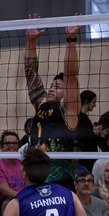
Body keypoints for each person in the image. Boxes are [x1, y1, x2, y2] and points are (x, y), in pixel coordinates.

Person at [23, 19, 86, 186]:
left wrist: (71, 39)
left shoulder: (69, 110)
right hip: (35, 176)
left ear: (67, 92)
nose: (51, 88)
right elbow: (31, 73)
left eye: (57, 87)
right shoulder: (41, 104)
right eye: (51, 85)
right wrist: (31, 42)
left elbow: (71, 76)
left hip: (60, 180)